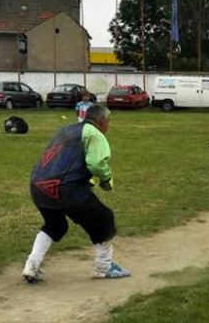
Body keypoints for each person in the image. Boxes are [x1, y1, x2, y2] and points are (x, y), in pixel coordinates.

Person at [22, 104, 129, 282]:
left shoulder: (65, 130)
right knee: (104, 219)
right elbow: (96, 163)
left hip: (38, 185)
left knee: (55, 226)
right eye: (108, 123)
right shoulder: (95, 133)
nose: (108, 127)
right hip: (64, 187)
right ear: (102, 121)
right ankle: (105, 267)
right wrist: (106, 178)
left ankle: (31, 265)